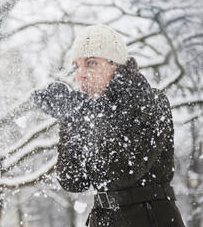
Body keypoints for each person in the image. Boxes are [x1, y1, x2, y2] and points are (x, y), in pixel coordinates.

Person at [31, 24, 185, 227]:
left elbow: (121, 171)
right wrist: (69, 120)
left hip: (150, 219)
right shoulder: (88, 113)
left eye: (91, 63)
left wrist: (79, 114)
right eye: (76, 66)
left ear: (117, 65)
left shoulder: (152, 102)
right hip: (102, 219)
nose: (81, 74)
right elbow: (73, 180)